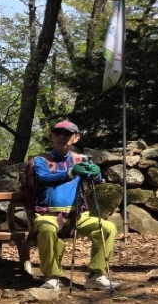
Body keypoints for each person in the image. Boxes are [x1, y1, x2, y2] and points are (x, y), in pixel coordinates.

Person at [30, 120, 118, 291]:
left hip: (78, 216)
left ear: (76, 138)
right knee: (47, 230)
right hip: (48, 215)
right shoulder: (41, 161)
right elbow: (46, 179)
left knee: (108, 228)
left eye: (67, 134)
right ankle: (52, 277)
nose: (62, 137)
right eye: (58, 133)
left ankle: (96, 275)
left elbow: (93, 180)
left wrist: (96, 174)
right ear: (52, 136)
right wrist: (71, 173)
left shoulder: (81, 160)